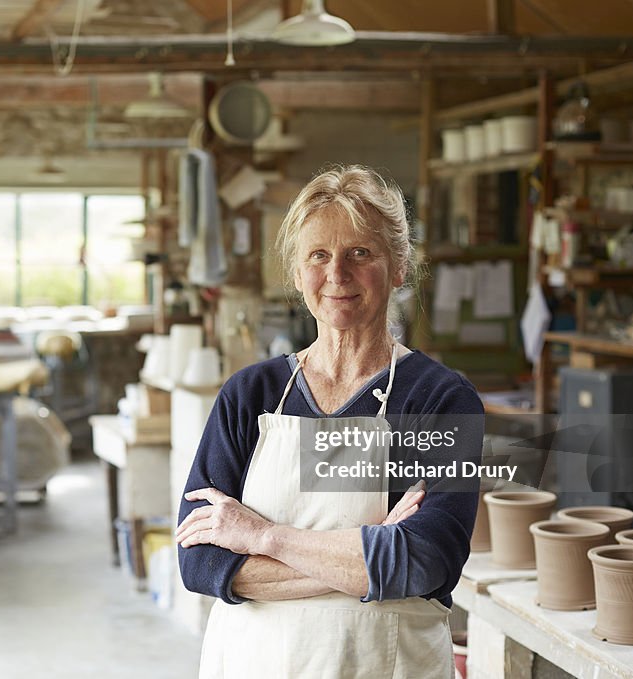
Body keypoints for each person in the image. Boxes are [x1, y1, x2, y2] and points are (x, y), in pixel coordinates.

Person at [175, 165, 484, 678]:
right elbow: (200, 564)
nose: (337, 274)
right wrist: (369, 551)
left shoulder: (441, 399)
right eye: (318, 255)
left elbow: (427, 561)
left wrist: (262, 537)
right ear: (297, 274)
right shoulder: (250, 396)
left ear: (399, 266)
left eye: (360, 253)